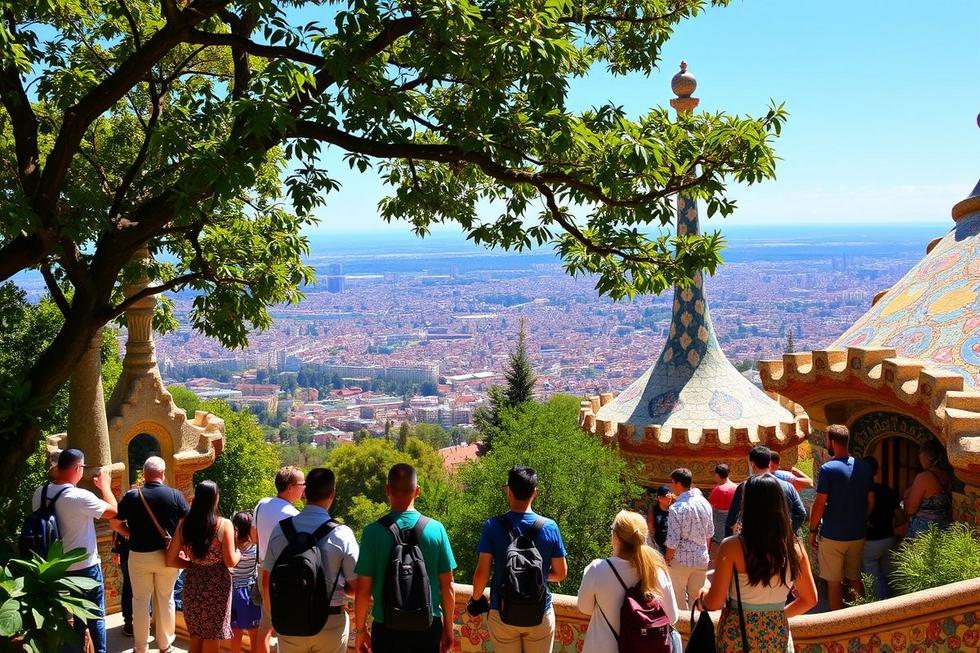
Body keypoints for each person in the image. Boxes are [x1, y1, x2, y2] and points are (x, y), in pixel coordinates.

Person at [697, 475, 817, 652]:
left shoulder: (731, 546)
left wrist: (703, 596)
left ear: (747, 505)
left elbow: (714, 603)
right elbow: (810, 599)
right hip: (776, 637)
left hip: (738, 636)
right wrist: (777, 615)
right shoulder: (795, 548)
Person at [354, 463, 457, 653]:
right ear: (417, 491)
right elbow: (448, 585)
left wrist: (360, 631)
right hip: (428, 625)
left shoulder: (372, 533)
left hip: (386, 628)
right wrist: (448, 628)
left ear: (387, 490)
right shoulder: (436, 529)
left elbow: (363, 590)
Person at [468, 465, 568, 653]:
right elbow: (561, 573)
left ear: (509, 491)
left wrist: (476, 599)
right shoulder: (550, 527)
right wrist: (536, 577)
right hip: (540, 611)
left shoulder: (492, 526)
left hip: (502, 611)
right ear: (535, 493)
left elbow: (482, 571)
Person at [263, 468, 359, 653]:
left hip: (289, 619)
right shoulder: (342, 534)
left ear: (305, 493)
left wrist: (275, 617)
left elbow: (267, 582)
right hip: (330, 622)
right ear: (332, 494)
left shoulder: (280, 530)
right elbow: (356, 587)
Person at [32, 448, 118, 653]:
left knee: (71, 618)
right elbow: (114, 511)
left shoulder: (40, 493)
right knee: (94, 615)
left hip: (54, 567)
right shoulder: (79, 496)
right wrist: (105, 486)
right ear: (78, 468)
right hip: (85, 567)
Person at [110, 456, 189, 653]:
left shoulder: (132, 496)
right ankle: (164, 645)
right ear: (162, 473)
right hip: (167, 557)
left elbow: (114, 522)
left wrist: (128, 533)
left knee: (140, 601)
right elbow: (187, 523)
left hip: (139, 556)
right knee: (166, 599)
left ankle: (140, 647)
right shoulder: (175, 495)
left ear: (144, 474)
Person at [578, 510, 681, 653]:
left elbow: (584, 607)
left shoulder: (597, 569)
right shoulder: (658, 572)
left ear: (616, 537)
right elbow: (672, 617)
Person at [166, 480, 241, 653]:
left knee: (196, 635)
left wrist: (190, 565)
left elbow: (170, 559)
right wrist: (239, 554)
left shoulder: (184, 526)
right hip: (217, 585)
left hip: (193, 583)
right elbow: (230, 561)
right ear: (215, 498)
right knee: (212, 637)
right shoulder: (224, 525)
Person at [808, 424, 874, 611]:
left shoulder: (828, 469)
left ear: (833, 442)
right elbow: (871, 501)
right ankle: (860, 617)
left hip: (833, 535)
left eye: (827, 439)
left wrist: (812, 531)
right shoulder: (864, 467)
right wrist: (861, 518)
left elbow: (820, 503)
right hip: (858, 534)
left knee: (834, 582)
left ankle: (837, 623)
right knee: (855, 577)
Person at [252, 466, 306, 653]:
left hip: (262, 568)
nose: (304, 488)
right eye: (302, 484)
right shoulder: (293, 516)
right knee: (283, 624)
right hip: (283, 574)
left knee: (265, 624)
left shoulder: (262, 504)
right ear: (290, 487)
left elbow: (253, 537)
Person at [724, 446, 807, 538]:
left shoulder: (744, 487)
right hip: (781, 543)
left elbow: (732, 520)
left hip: (753, 541)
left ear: (752, 464)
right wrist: (786, 532)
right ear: (769, 463)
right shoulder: (788, 486)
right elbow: (801, 513)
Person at [664, 468, 713, 612]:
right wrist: (705, 553)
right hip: (701, 559)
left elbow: (672, 541)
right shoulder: (705, 503)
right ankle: (694, 630)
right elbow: (709, 534)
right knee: (696, 601)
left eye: (673, 483)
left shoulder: (676, 508)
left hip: (680, 561)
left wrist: (668, 559)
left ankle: (682, 632)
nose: (672, 487)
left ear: (678, 483)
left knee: (677, 601)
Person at [862, 456, 900, 599]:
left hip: (870, 541)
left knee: (872, 576)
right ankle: (894, 602)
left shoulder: (860, 493)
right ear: (876, 471)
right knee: (889, 573)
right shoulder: (888, 490)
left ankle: (877, 605)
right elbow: (901, 517)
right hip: (889, 538)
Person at [904, 439, 953, 537]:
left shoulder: (924, 477)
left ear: (927, 456)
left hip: (924, 532)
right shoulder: (947, 475)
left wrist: (905, 497)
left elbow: (910, 510)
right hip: (943, 528)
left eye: (920, 454)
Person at [229, 512, 261, 653]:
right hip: (250, 593)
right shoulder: (256, 549)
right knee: (254, 634)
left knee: (235, 633)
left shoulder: (230, 548)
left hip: (232, 593)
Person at [111, 531, 134, 637]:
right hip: (138, 548)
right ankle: (135, 622)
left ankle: (129, 622)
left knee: (128, 586)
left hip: (126, 549)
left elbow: (116, 524)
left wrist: (116, 550)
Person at [707, 464, 737, 546]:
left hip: (720, 526)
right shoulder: (736, 487)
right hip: (734, 524)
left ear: (717, 475)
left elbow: (709, 507)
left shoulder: (718, 489)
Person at [647, 486, 672, 555]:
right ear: (659, 498)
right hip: (656, 545)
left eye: (670, 496)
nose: (669, 498)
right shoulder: (653, 510)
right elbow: (650, 525)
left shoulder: (673, 510)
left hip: (670, 546)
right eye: (667, 496)